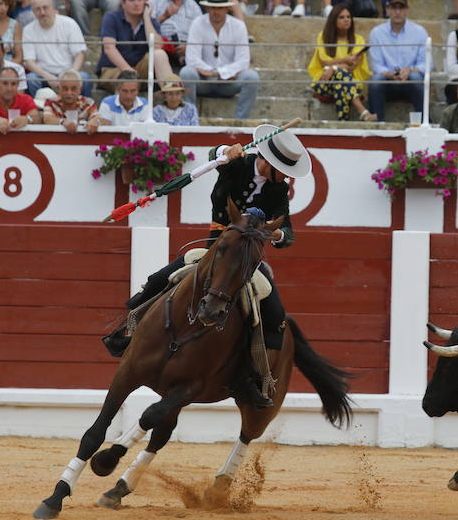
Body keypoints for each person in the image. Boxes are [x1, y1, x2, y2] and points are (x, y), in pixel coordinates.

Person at [103, 126, 313, 408]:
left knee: (274, 312)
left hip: (247, 258)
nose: (286, 176)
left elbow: (287, 230)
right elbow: (214, 155)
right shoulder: (238, 163)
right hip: (216, 245)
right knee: (160, 278)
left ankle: (255, 376)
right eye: (283, 170)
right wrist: (226, 151)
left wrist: (275, 234)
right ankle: (127, 333)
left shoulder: (279, 188)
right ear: (268, 162)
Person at [181, 0, 259, 120]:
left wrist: (217, 73)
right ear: (207, 7)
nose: (215, 11)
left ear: (227, 8)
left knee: (252, 77)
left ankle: (240, 122)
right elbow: (191, 58)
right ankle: (191, 120)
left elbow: (243, 61)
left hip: (228, 83)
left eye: (219, 8)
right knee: (186, 73)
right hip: (203, 82)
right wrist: (216, 73)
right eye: (212, 7)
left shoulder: (238, 26)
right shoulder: (197, 23)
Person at [366, 0, 429, 122]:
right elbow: (376, 64)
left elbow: (427, 64)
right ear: (387, 10)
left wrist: (410, 69)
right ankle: (378, 124)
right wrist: (388, 73)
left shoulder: (420, 31)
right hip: (388, 81)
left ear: (407, 10)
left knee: (416, 77)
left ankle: (424, 122)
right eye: (394, 8)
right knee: (376, 81)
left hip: (410, 81)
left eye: (402, 7)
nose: (398, 12)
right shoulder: (377, 32)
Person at [307, 2, 374, 121]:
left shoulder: (358, 39)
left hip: (350, 82)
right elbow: (324, 61)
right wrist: (345, 60)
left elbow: (352, 66)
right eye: (342, 17)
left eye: (348, 17)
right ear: (334, 20)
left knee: (339, 82)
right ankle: (362, 111)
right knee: (341, 77)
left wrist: (333, 68)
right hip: (324, 81)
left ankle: (344, 121)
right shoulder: (323, 37)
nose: (346, 20)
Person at [96, 0, 173, 93]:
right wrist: (128, 71)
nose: (136, 3)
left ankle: (171, 97)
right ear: (123, 3)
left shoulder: (151, 22)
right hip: (113, 70)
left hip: (140, 71)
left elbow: (158, 46)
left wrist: (146, 18)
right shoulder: (111, 18)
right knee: (125, 81)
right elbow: (109, 49)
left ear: (145, 2)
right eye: (132, 0)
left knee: (159, 54)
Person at [22, 0, 91, 97]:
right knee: (31, 79)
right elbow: (29, 61)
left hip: (69, 70)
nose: (42, 12)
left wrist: (70, 75)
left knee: (85, 78)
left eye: (45, 8)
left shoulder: (69, 24)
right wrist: (49, 77)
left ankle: (83, 109)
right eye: (38, 9)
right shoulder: (28, 30)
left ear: (54, 8)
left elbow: (79, 54)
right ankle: (40, 111)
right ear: (33, 12)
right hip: (43, 75)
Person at [147, 0, 201, 68]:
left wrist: (188, 46)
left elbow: (201, 35)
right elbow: (145, 28)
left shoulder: (193, 6)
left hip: (187, 51)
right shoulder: (154, 1)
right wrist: (164, 16)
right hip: (162, 49)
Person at [42, 69, 100, 133]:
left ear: (80, 89)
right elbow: (47, 119)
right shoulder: (51, 102)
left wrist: (94, 121)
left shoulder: (88, 102)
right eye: (65, 89)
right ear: (58, 88)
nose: (69, 93)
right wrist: (63, 122)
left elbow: (97, 117)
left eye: (73, 89)